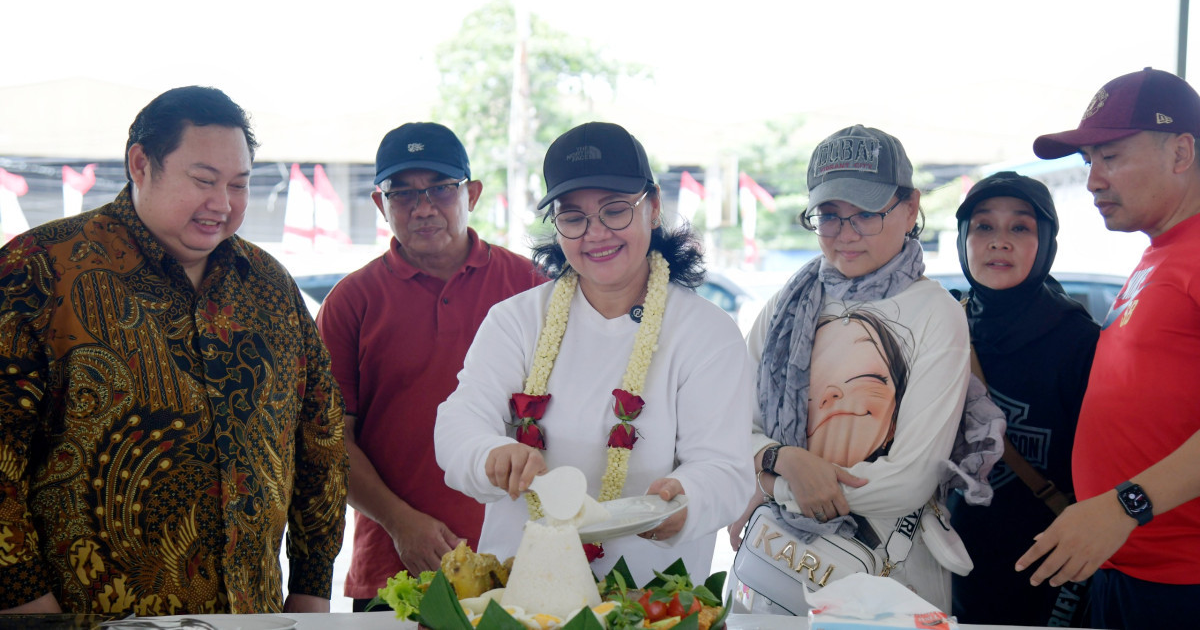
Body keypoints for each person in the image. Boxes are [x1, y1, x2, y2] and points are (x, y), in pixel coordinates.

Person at [0, 86, 348, 615]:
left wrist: (312, 587)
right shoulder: (39, 270)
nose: (223, 204)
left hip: (254, 616)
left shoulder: (269, 286)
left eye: (239, 184)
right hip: (88, 618)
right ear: (141, 164)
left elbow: (321, 439)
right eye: (204, 180)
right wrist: (27, 605)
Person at [434, 121, 754, 583]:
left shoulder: (707, 332)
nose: (596, 233)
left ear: (653, 207)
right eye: (573, 217)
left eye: (615, 210)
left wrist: (687, 497)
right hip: (518, 592)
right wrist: (491, 452)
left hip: (651, 597)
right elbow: (458, 423)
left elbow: (726, 468)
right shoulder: (516, 320)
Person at [731, 124, 974, 614]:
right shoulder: (787, 305)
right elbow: (730, 425)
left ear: (910, 208)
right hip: (775, 565)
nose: (845, 234)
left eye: (866, 214)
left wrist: (774, 485)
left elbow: (909, 480)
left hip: (890, 573)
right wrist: (784, 458)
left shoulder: (937, 314)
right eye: (829, 216)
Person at [315, 122, 545, 610]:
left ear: (471, 194)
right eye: (402, 193)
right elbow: (330, 442)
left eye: (440, 188)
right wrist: (400, 523)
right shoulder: (351, 302)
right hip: (394, 565)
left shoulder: (530, 287)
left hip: (521, 560)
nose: (423, 208)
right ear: (380, 204)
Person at [1017, 67, 1200, 629]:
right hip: (1127, 571)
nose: (1093, 180)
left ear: (1181, 153)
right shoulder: (1160, 252)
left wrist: (1126, 504)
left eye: (1111, 157)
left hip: (1182, 584)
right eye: (1088, 160)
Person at [948, 172, 1099, 626]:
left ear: (1046, 242)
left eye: (1020, 227)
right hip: (951, 564)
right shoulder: (945, 327)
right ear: (964, 238)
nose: (1000, 241)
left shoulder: (1079, 342)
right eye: (984, 226)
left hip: (1050, 570)